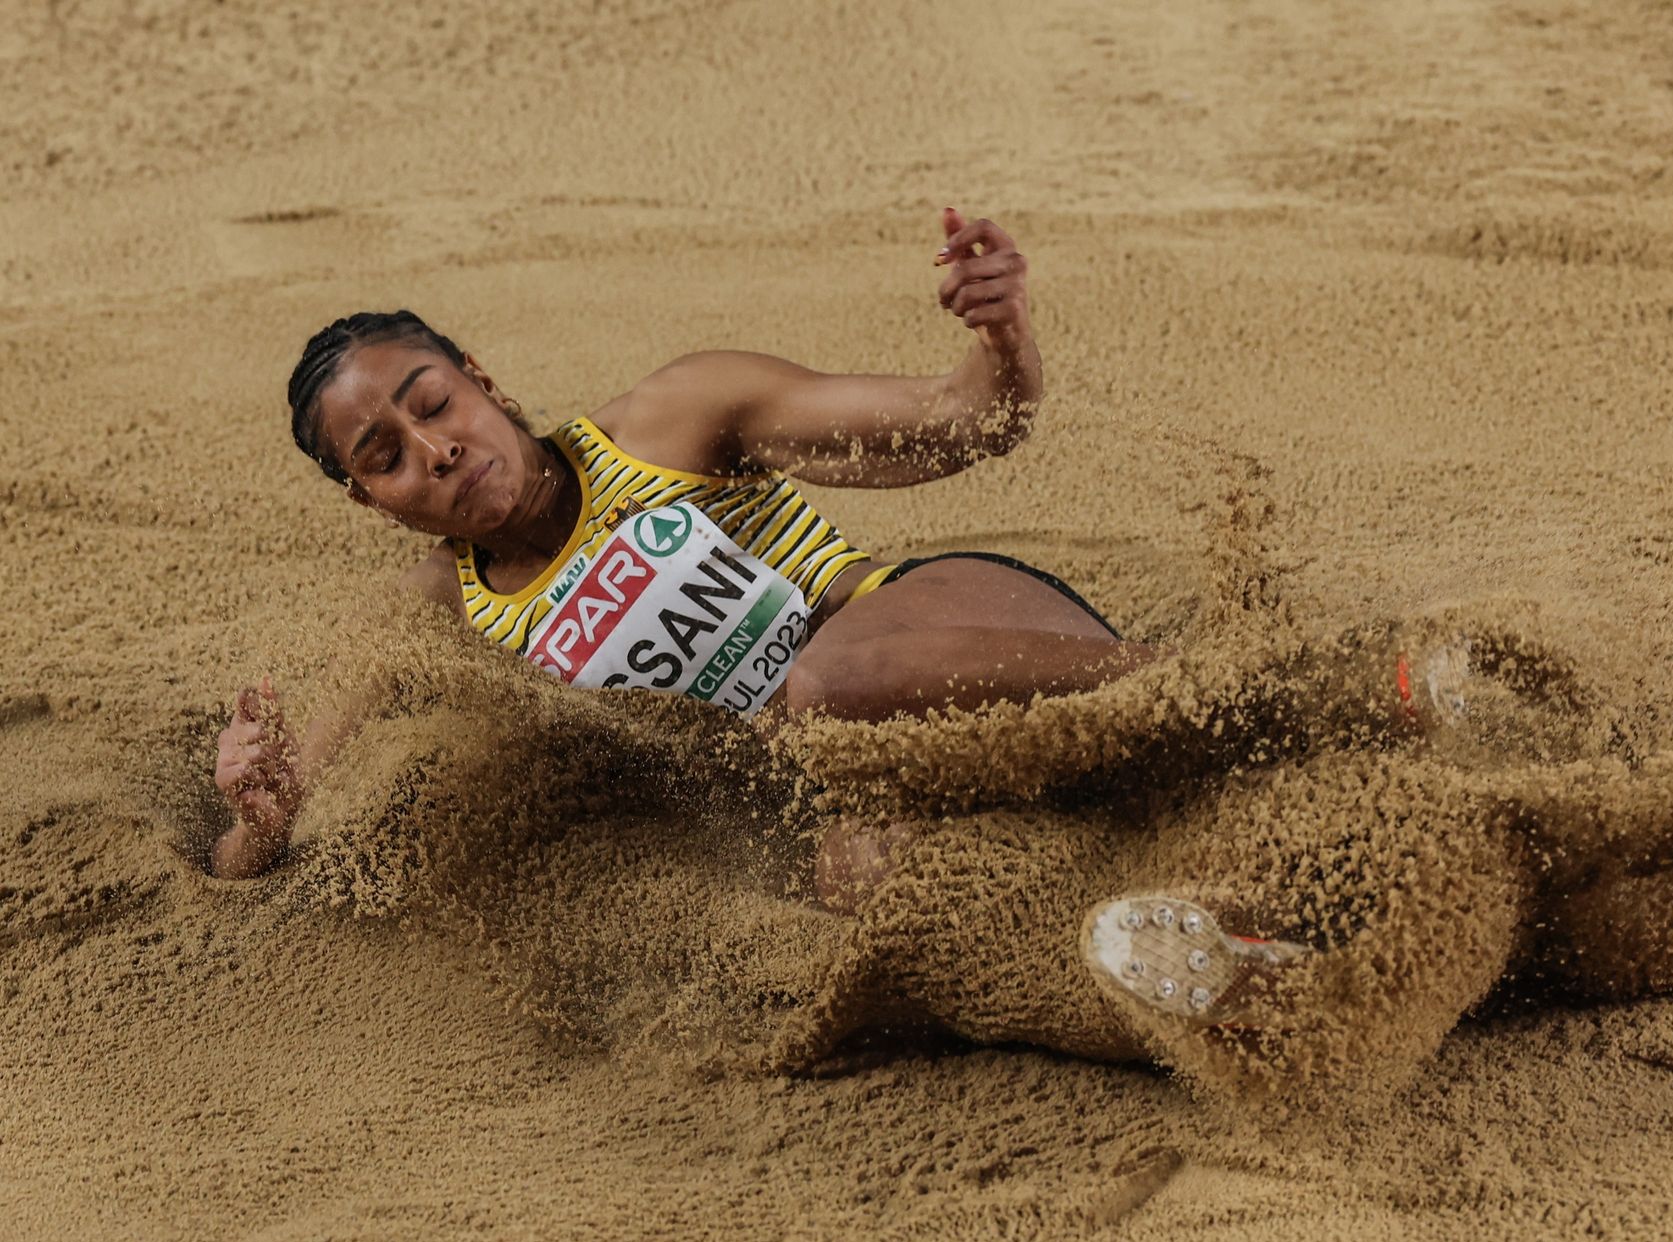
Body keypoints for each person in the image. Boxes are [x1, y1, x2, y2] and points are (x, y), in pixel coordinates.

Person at [211, 208, 1163, 882]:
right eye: (388, 456)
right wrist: (257, 812)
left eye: (434, 404)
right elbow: (257, 841)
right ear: (370, 500)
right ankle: (1146, 905)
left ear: (482, 382)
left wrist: (1000, 335)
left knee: (825, 686)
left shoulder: (671, 418)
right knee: (855, 878)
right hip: (856, 768)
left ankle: (1208, 684)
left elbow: (966, 421)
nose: (436, 449)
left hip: (950, 628)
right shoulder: (434, 614)